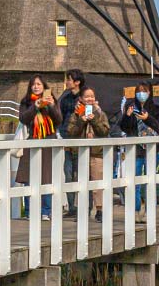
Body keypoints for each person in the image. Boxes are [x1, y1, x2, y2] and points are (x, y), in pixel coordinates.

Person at [15, 76, 60, 219]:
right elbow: (23, 118)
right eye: (33, 84)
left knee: (46, 176)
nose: (36, 86)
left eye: (39, 84)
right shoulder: (26, 102)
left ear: (44, 86)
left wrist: (51, 106)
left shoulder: (51, 100)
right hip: (32, 140)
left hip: (48, 140)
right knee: (29, 176)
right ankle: (29, 211)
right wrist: (35, 106)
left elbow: (58, 120)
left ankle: (45, 211)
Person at [64, 86, 112, 221]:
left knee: (97, 183)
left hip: (97, 153)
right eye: (87, 97)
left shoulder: (100, 113)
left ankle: (100, 210)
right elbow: (71, 132)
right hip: (80, 153)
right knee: (81, 183)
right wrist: (82, 120)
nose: (90, 99)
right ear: (81, 99)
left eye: (92, 96)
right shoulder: (76, 114)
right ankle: (83, 210)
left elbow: (105, 132)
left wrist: (94, 119)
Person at [117, 84, 159, 207]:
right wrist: (127, 116)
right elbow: (125, 127)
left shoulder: (156, 109)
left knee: (151, 180)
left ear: (149, 93)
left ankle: (150, 209)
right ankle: (137, 209)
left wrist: (147, 118)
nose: (141, 94)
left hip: (151, 149)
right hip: (136, 150)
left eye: (144, 91)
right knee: (135, 181)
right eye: (139, 91)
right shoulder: (131, 106)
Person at [56, 70, 86, 216]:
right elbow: (60, 117)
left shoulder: (84, 97)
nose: (66, 82)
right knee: (68, 173)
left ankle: (84, 207)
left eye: (69, 79)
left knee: (81, 175)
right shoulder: (65, 98)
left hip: (80, 141)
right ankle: (72, 208)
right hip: (67, 140)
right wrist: (61, 134)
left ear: (77, 82)